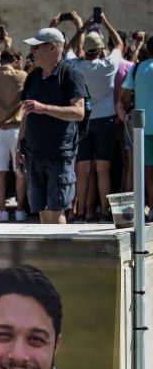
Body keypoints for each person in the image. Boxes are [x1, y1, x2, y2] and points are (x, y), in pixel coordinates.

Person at [18, 27, 87, 225]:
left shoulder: (71, 74)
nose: (32, 51)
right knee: (42, 212)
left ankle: (60, 254)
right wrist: (19, 146)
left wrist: (45, 108)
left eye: (36, 47)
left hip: (60, 154)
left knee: (56, 211)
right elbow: (26, 113)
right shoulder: (33, 76)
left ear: (52, 48)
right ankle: (45, 255)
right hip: (34, 153)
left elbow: (79, 112)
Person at [70, 18, 124, 222]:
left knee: (83, 170)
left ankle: (81, 211)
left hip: (84, 119)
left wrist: (81, 27)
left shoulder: (76, 65)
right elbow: (119, 44)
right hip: (106, 121)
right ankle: (103, 210)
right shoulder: (108, 64)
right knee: (103, 169)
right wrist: (107, 23)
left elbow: (67, 48)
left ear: (85, 48)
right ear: (101, 49)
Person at [0, 48, 29, 222]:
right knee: (20, 170)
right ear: (16, 60)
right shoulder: (22, 76)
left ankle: (2, 210)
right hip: (17, 129)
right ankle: (19, 209)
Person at [118, 34, 153, 209]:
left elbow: (121, 100)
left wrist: (127, 120)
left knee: (146, 171)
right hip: (142, 129)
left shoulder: (137, 69)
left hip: (142, 128)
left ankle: (150, 208)